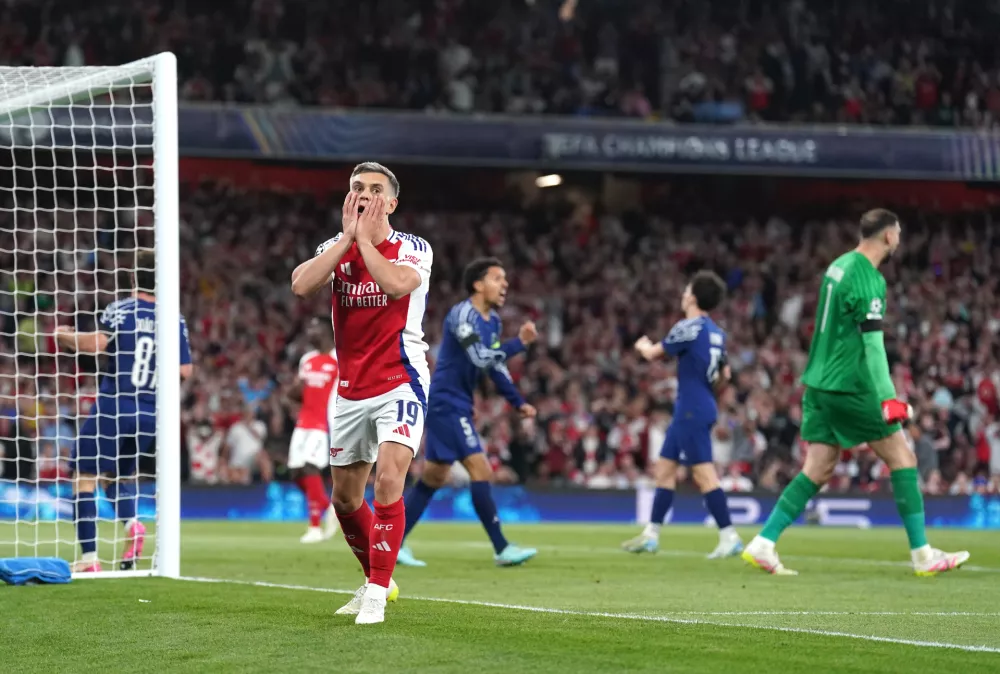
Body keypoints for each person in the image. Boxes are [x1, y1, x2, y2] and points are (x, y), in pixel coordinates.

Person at [742, 208, 970, 576]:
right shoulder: (869, 279)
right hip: (849, 385)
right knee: (903, 459)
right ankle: (924, 556)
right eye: (897, 232)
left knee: (818, 467)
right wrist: (888, 398)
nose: (899, 238)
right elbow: (874, 347)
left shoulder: (838, 265)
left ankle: (764, 543)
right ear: (888, 236)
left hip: (817, 383)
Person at [291, 162, 432, 625]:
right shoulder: (334, 248)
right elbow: (301, 285)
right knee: (346, 500)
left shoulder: (414, 248)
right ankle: (380, 577)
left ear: (391, 203)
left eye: (375, 190)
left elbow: (394, 285)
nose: (366, 195)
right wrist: (348, 240)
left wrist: (366, 242)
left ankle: (375, 592)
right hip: (351, 390)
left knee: (389, 479)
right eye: (357, 188)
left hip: (401, 380)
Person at [56, 250, 193, 573]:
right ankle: (133, 525)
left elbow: (96, 345)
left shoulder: (120, 309)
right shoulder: (174, 318)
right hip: (150, 414)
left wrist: (63, 336)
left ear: (133, 277)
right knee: (116, 477)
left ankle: (89, 559)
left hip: (115, 405)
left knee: (84, 477)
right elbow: (185, 370)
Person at [396, 257, 538, 568]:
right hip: (446, 402)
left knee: (433, 477)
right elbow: (479, 357)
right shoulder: (462, 315)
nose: (505, 285)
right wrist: (520, 345)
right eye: (497, 278)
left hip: (457, 403)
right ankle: (501, 547)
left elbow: (496, 368)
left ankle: (392, 543)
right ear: (477, 284)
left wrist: (516, 401)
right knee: (481, 469)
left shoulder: (494, 322)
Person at [622, 271, 743, 559]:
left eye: (686, 289)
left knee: (704, 474)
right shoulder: (717, 332)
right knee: (663, 471)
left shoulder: (688, 327)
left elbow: (653, 354)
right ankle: (651, 535)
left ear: (693, 296)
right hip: (697, 405)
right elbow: (725, 374)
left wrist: (640, 346)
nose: (683, 293)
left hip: (691, 408)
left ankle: (729, 536)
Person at [287, 317, 339, 543]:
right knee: (296, 472)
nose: (310, 330)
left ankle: (315, 527)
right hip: (303, 422)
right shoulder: (307, 359)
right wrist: (294, 390)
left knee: (310, 467)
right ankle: (328, 508)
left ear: (327, 331)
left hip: (324, 423)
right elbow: (299, 393)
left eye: (314, 326)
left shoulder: (339, 358)